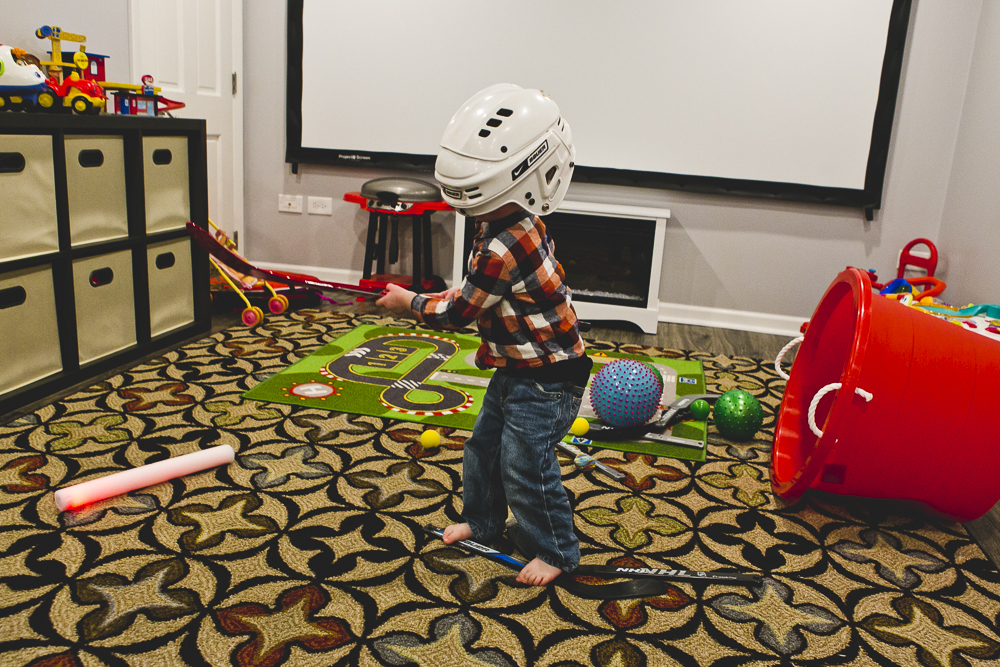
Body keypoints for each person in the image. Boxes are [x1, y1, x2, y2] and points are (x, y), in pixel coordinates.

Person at [377, 84, 592, 585]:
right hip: (520, 367)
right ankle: (484, 521)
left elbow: (460, 312)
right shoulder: (505, 218)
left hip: (548, 377)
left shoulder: (502, 242)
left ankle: (557, 550)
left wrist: (407, 301)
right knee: (484, 447)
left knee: (526, 465)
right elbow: (482, 289)